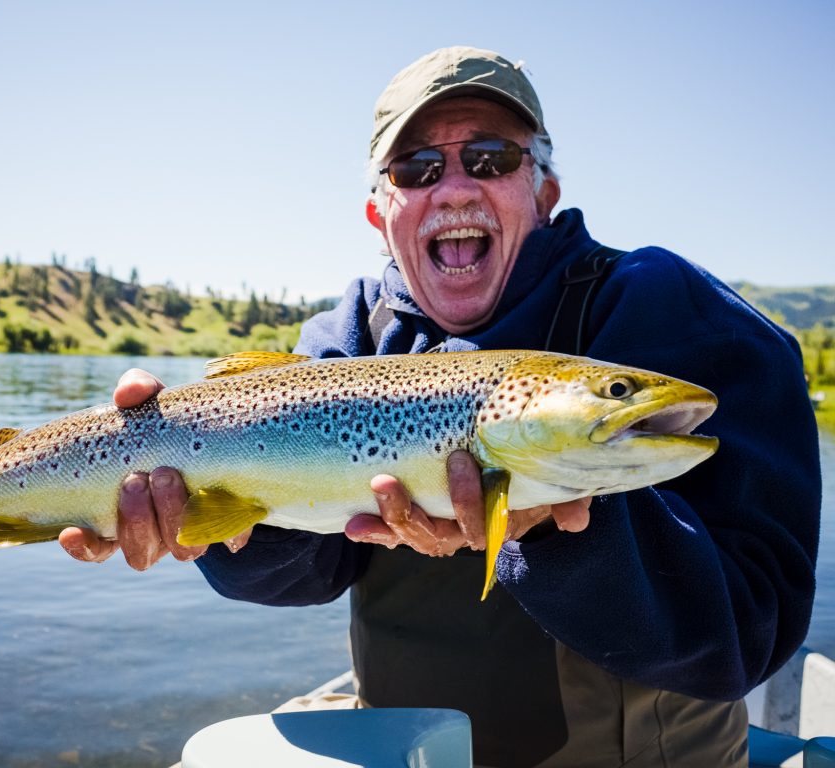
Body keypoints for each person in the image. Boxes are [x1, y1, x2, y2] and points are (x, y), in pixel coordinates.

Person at [59, 47, 821, 767]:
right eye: (416, 167)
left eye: (490, 158)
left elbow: (748, 637)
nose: (453, 186)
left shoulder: (672, 307)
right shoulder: (347, 339)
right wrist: (208, 529)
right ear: (381, 215)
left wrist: (554, 525)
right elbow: (303, 574)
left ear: (544, 191)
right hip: (407, 751)